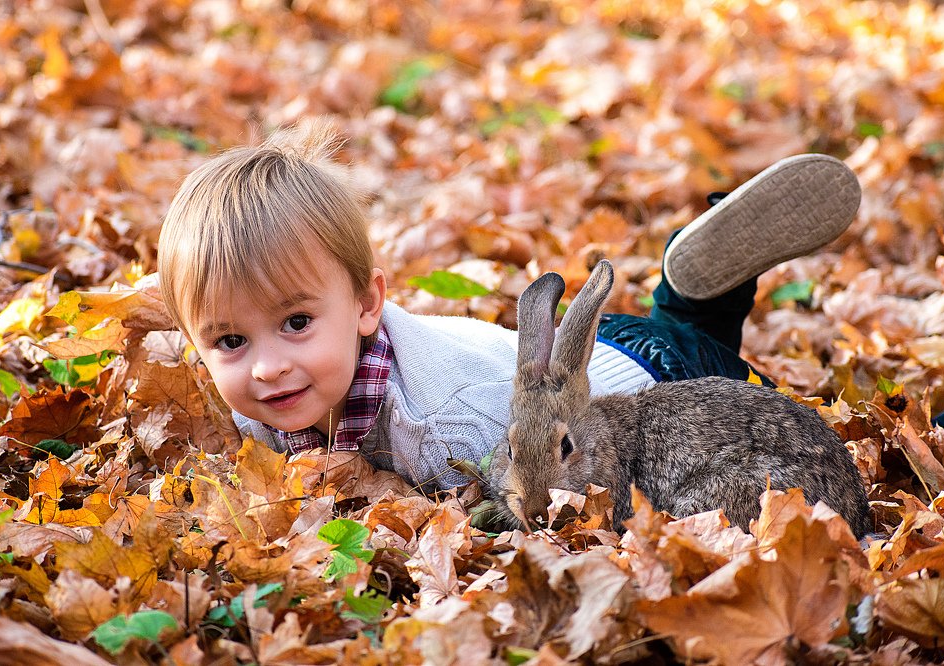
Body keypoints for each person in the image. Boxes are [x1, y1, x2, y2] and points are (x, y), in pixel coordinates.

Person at [156, 118, 862, 492]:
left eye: (296, 323)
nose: (269, 368)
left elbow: (545, 480)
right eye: (229, 341)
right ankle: (692, 286)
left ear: (369, 303)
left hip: (661, 394)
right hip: (596, 344)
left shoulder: (450, 426)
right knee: (675, 332)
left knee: (813, 428)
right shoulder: (277, 390)